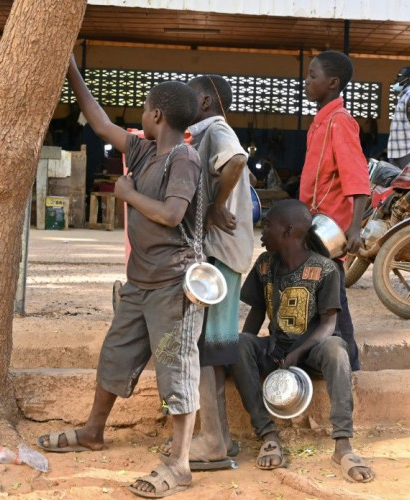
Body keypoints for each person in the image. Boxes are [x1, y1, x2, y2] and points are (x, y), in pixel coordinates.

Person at [37, 55, 204, 499]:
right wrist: (70, 69)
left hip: (173, 285)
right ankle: (93, 431)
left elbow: (172, 214)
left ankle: (181, 462)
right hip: (140, 282)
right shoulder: (144, 148)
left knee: (176, 370)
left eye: (145, 110)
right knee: (115, 356)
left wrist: (127, 194)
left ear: (157, 115)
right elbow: (99, 122)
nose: (139, 118)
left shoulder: (185, 158)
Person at [233, 199, 374, 483]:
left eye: (268, 224)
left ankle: (343, 445)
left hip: (312, 352)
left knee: (336, 348)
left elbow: (328, 325)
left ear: (287, 231)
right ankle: (267, 434)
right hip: (276, 350)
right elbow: (256, 315)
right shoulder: (263, 265)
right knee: (239, 344)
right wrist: (242, 352)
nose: (262, 229)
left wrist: (298, 352)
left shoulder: (326, 269)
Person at [159, 75, 252, 469]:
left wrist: (217, 206)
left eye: (190, 97)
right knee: (206, 346)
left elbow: (235, 160)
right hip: (218, 254)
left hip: (219, 255)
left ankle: (213, 441)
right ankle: (219, 438)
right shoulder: (202, 132)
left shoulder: (216, 128)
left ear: (206, 101)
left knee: (207, 349)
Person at [299, 50, 370, 371]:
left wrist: (355, 228)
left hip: (329, 234)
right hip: (312, 230)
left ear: (332, 83)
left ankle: (347, 367)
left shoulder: (340, 123)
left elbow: (357, 178)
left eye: (312, 76)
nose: (306, 81)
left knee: (332, 304)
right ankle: (338, 363)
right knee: (327, 303)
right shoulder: (321, 123)